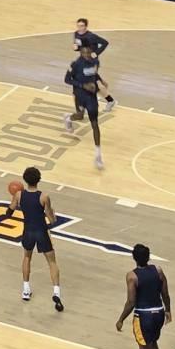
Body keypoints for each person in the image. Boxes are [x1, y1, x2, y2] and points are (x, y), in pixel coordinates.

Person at [116, 243, 169, 349]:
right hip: (159, 312)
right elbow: (165, 293)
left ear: (134, 258)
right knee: (153, 344)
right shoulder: (158, 270)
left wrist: (121, 319)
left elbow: (131, 302)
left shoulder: (132, 276)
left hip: (144, 316)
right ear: (148, 256)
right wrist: (168, 310)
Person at [16, 166, 61, 311]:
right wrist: (53, 215)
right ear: (39, 179)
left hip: (28, 230)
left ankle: (26, 290)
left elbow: (9, 210)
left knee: (27, 258)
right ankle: (56, 292)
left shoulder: (18, 195)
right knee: (52, 261)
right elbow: (51, 219)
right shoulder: (43, 197)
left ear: (25, 179)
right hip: (41, 231)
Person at [67, 38, 115, 172]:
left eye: (89, 52)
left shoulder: (95, 61)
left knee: (95, 125)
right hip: (79, 94)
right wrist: (82, 85)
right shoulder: (75, 64)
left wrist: (100, 80)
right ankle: (68, 119)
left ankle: (98, 156)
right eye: (84, 53)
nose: (87, 55)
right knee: (79, 116)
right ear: (81, 52)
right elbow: (67, 79)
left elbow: (94, 73)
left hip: (91, 97)